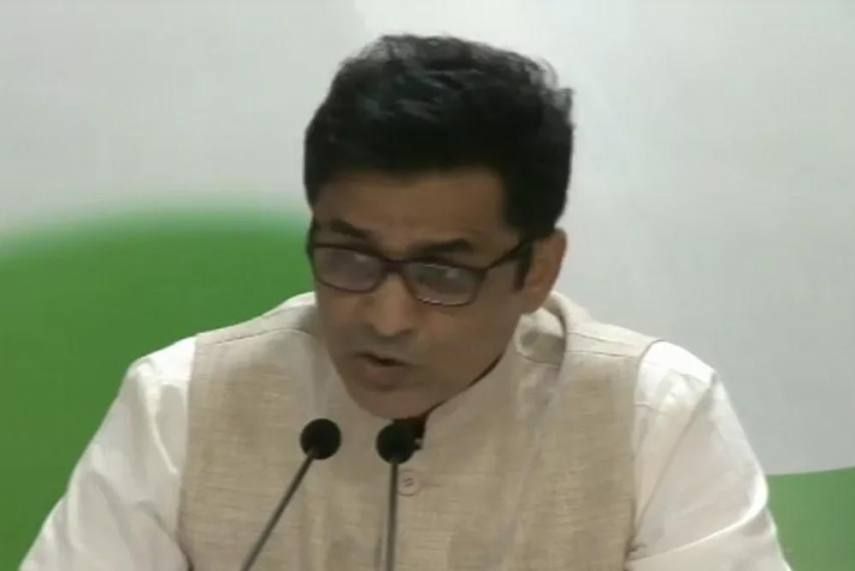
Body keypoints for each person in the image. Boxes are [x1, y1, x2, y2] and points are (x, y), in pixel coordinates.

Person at [22, 34, 790, 570]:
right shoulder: (183, 402)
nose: (385, 318)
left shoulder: (651, 415)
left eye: (442, 274)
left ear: (537, 269)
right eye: (349, 258)